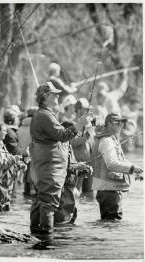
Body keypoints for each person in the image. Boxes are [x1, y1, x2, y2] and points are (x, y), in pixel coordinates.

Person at [29, 82, 89, 235]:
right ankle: (46, 239)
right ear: (45, 96)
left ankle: (36, 235)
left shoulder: (45, 114)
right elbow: (62, 136)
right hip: (50, 167)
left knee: (42, 201)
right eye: (54, 94)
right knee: (49, 203)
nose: (57, 96)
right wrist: (80, 124)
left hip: (49, 166)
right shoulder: (45, 115)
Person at [91, 113, 143, 220]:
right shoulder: (107, 141)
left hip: (109, 189)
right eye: (118, 123)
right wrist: (132, 169)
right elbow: (111, 164)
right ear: (109, 124)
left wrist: (133, 168)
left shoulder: (110, 139)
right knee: (112, 224)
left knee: (109, 224)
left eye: (122, 123)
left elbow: (119, 160)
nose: (121, 125)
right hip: (108, 190)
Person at [71, 98, 96, 198]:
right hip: (78, 164)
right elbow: (71, 142)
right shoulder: (72, 124)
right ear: (79, 109)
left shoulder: (90, 124)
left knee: (90, 193)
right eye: (86, 109)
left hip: (90, 163)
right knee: (77, 192)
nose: (88, 112)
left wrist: (94, 123)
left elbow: (99, 129)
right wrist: (84, 138)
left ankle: (87, 212)